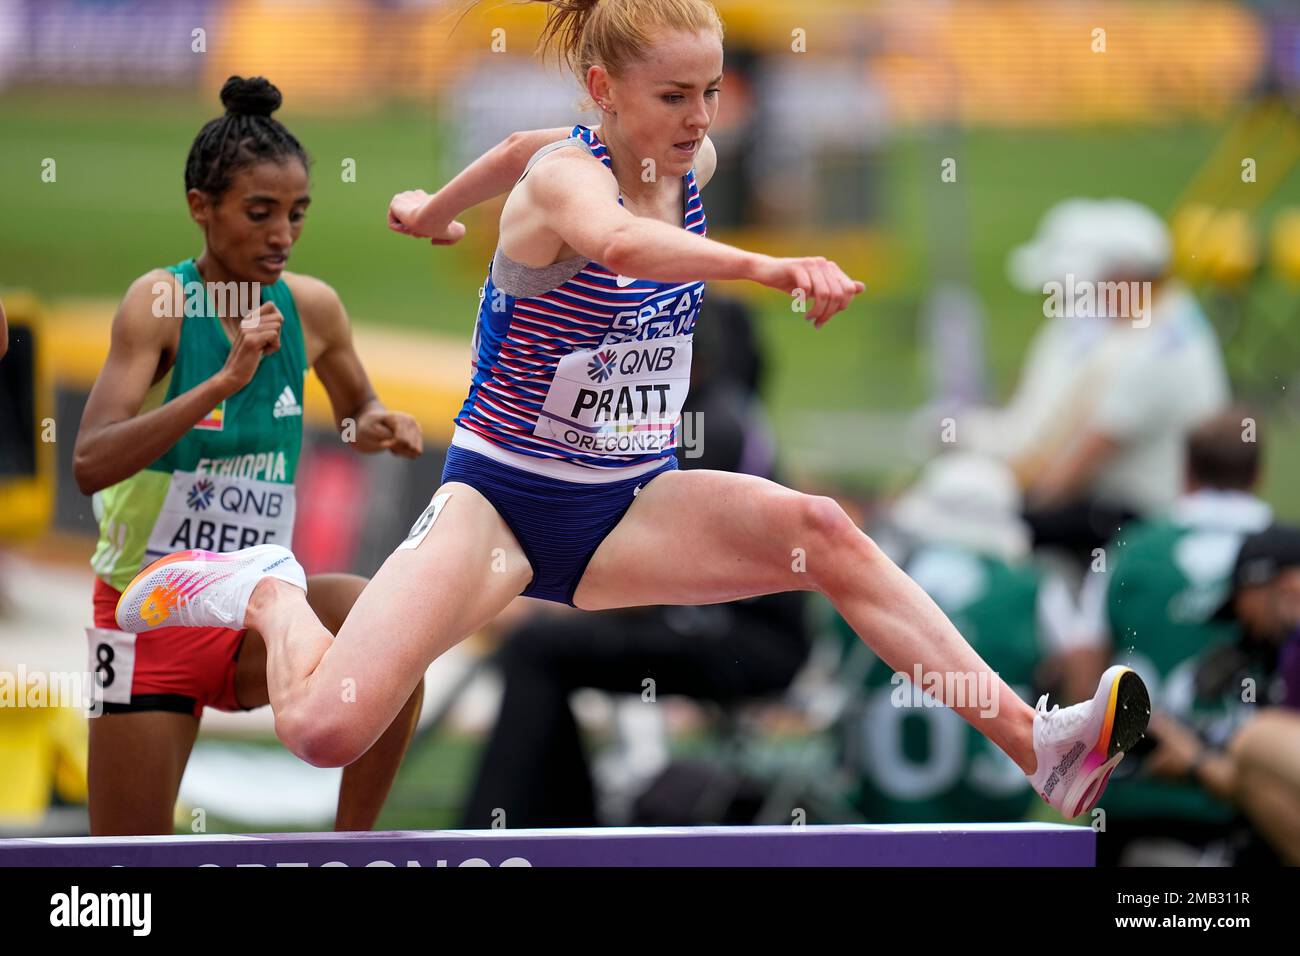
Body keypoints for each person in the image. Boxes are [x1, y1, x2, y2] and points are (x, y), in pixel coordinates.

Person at [114, 0, 1148, 822]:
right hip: (501, 507)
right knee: (326, 730)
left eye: (710, 91)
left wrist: (437, 206)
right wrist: (766, 262)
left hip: (627, 503)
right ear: (605, 90)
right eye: (673, 96)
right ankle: (263, 595)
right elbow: (615, 242)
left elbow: (518, 139)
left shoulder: (685, 159)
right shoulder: (574, 181)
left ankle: (1039, 743)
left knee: (825, 531)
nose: (700, 121)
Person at [72, 77, 432, 835]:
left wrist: (379, 423)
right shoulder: (159, 305)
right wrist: (225, 380)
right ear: (201, 208)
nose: (282, 235)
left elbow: (354, 412)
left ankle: (351, 848)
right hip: (150, 617)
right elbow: (91, 462)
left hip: (258, 614)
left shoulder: (314, 309)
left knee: (391, 620)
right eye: (259, 213)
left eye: (297, 214)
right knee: (124, 870)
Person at [460, 293, 809, 828]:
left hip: (746, 641)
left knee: (538, 647)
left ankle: (512, 828)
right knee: (543, 648)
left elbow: (645, 573)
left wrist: (540, 606)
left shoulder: (707, 429)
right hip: (717, 622)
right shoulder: (715, 415)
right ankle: (550, 826)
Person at [1064, 408, 1274, 863]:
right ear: (1259, 474)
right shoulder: (1286, 556)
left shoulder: (1130, 549)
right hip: (1260, 806)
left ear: (1186, 470)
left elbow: (1083, 677)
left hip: (1139, 802)